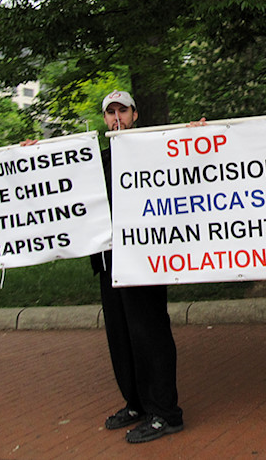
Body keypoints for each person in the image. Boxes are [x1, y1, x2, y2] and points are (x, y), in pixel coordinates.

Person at [93, 90, 184, 444]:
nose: (117, 117)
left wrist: (201, 135)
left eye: (123, 111)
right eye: (110, 112)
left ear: (135, 115)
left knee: (150, 333)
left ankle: (166, 413)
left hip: (146, 259)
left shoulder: (153, 149)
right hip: (107, 260)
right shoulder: (96, 161)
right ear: (104, 119)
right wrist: (35, 154)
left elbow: (189, 162)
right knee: (121, 335)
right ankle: (136, 403)